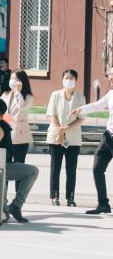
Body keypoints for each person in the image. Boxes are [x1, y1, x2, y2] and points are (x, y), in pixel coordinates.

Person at [46, 70, 85, 207]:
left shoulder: (80, 98)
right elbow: (52, 115)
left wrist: (66, 129)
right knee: (55, 169)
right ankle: (55, 196)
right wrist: (60, 130)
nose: (68, 80)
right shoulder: (55, 95)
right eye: (66, 78)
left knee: (71, 170)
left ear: (76, 80)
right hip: (56, 137)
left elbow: (81, 118)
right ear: (62, 79)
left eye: (71, 78)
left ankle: (70, 198)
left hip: (73, 138)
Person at [74, 86, 113, 214]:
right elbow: (97, 105)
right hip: (108, 137)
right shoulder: (111, 94)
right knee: (97, 169)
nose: (111, 80)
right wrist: (81, 109)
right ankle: (103, 204)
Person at [1, 69, 34, 163]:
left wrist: (17, 92)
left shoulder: (28, 97)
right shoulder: (5, 94)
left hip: (20, 136)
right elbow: (0, 111)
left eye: (15, 78)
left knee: (19, 164)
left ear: (21, 81)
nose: (12, 81)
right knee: (4, 164)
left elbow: (21, 106)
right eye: (11, 78)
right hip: (5, 135)